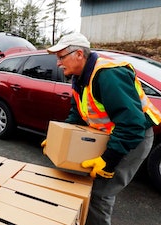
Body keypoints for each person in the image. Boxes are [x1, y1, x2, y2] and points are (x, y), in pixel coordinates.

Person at [46, 33, 161, 225]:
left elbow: (132, 124)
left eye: (61, 57)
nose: (58, 63)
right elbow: (78, 113)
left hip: (134, 139)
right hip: (113, 134)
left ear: (79, 54)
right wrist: (59, 137)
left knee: (101, 191)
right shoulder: (80, 77)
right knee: (85, 182)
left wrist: (109, 160)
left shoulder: (108, 74)